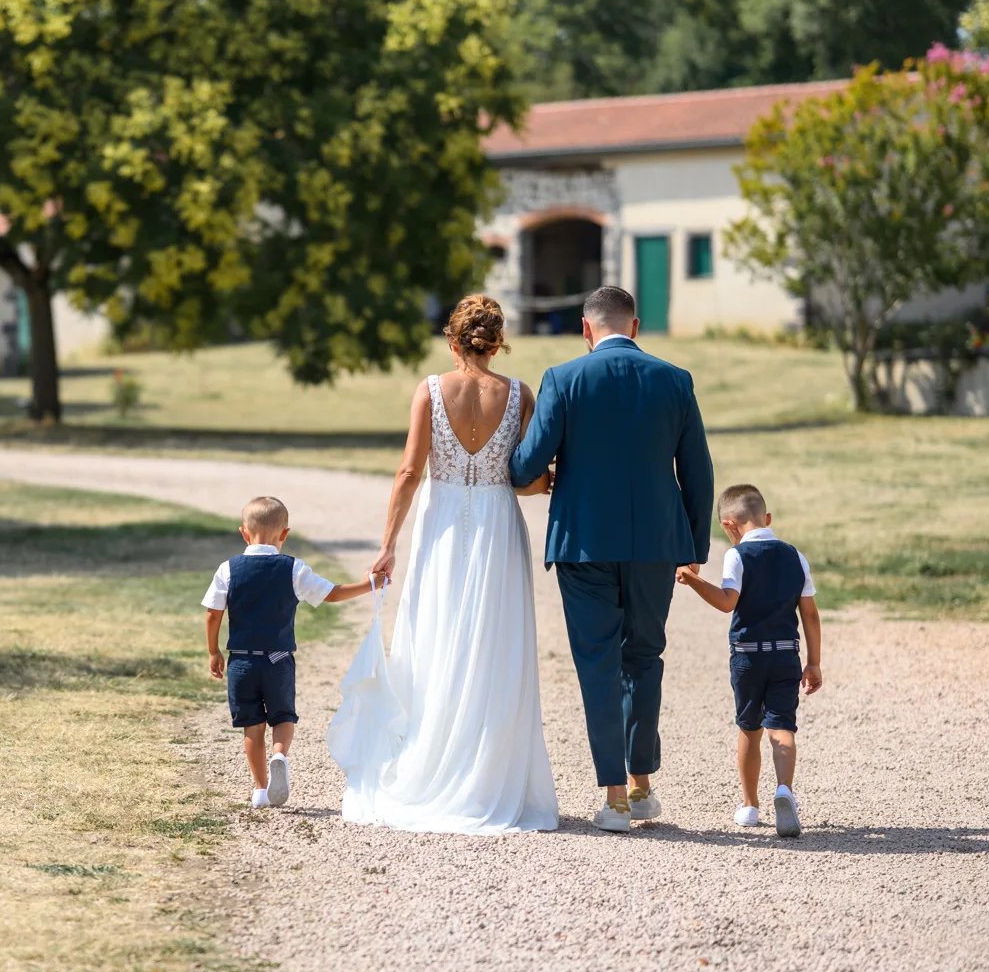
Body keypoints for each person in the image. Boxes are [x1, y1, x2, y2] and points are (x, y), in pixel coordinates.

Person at [341, 295, 560, 835]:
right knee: (493, 643)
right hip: (497, 529)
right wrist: (547, 480)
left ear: (452, 340)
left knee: (436, 638)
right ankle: (488, 776)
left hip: (440, 528)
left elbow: (409, 472)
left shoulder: (431, 390)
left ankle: (432, 762)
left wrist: (389, 543)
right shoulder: (518, 394)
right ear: (497, 339)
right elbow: (529, 480)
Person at [509, 285, 715, 833]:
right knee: (644, 657)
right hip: (657, 544)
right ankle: (644, 783)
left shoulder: (564, 379)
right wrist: (693, 549)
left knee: (597, 665)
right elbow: (697, 472)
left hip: (584, 542)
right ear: (636, 325)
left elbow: (527, 462)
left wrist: (534, 471)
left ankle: (616, 798)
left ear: (585, 328)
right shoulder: (676, 380)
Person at [203, 497, 378, 808]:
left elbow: (213, 613)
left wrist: (214, 651)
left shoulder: (227, 569)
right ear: (284, 534)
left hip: (241, 660)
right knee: (283, 716)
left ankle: (260, 790)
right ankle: (280, 755)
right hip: (278, 659)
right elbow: (331, 594)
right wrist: (368, 585)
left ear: (244, 533)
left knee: (252, 725)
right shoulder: (293, 569)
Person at [675, 484, 823, 837]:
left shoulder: (736, 555)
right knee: (782, 728)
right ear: (766, 518)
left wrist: (694, 580)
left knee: (749, 730)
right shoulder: (795, 555)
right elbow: (811, 615)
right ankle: (784, 789)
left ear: (729, 525)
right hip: (787, 654)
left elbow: (728, 602)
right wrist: (814, 662)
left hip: (748, 658)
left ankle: (750, 805)